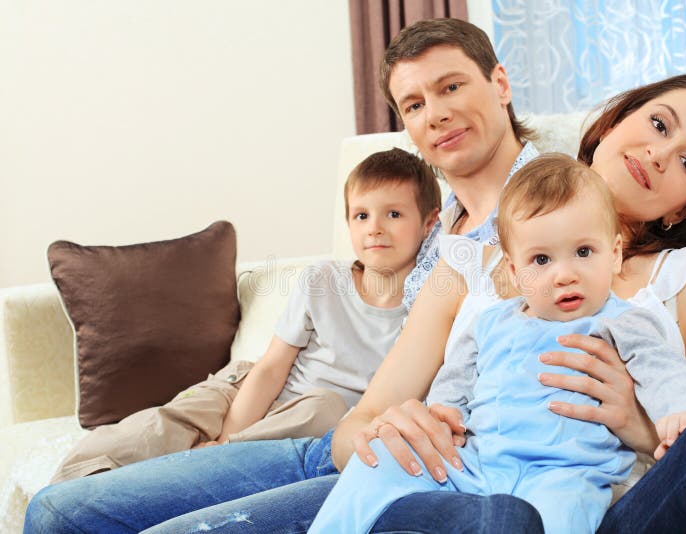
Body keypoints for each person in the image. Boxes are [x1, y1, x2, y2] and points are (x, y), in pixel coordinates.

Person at [25, 19, 686, 534]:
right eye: (659, 124)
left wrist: (633, 421)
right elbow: (368, 418)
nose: (661, 154)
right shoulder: (477, 260)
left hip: (556, 493)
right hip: (431, 473)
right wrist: (398, 424)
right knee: (60, 514)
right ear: (615, 120)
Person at [310, 154, 686, 533]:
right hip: (475, 463)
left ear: (615, 255)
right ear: (515, 271)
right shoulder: (490, 323)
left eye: (584, 252)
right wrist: (445, 411)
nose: (564, 275)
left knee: (559, 516)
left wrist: (681, 412)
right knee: (375, 463)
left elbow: (664, 370)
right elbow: (456, 378)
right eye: (542, 260)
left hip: (565, 473)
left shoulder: (622, 321)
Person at [47, 147, 440, 483]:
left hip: (307, 426)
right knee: (143, 435)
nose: (374, 229)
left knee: (327, 407)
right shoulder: (322, 280)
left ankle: (199, 466)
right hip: (248, 393)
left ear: (429, 222)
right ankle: (70, 492)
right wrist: (230, 432)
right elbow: (271, 368)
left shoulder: (431, 311)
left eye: (393, 215)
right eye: (361, 216)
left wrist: (227, 449)